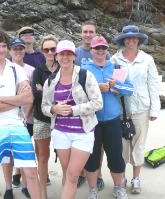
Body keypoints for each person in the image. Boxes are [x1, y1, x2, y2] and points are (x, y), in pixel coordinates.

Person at [0, 29, 41, 199]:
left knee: (31, 172)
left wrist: (1, 99)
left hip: (17, 125)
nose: (1, 50)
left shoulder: (16, 69)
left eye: (4, 46)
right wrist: (16, 99)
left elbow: (28, 98)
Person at [41, 40, 103, 199]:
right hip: (60, 133)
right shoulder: (51, 80)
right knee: (68, 174)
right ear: (56, 56)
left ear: (74, 56)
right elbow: (44, 107)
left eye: (69, 54)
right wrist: (54, 109)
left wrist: (73, 110)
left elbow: (98, 103)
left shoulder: (85, 75)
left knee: (73, 174)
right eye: (62, 54)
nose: (65, 57)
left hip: (83, 133)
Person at [111, 25, 160, 194]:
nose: (131, 40)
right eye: (128, 38)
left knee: (139, 145)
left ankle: (136, 178)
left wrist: (155, 109)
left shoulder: (147, 59)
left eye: (134, 38)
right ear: (123, 40)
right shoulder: (115, 60)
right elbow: (115, 87)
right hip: (121, 110)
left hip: (141, 109)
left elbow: (153, 84)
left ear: (138, 40)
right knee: (122, 146)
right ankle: (122, 178)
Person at [83, 35, 134, 199]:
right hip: (92, 120)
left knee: (116, 157)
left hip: (113, 120)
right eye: (96, 48)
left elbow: (130, 91)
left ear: (107, 50)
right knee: (92, 158)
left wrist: (115, 85)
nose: (100, 51)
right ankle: (92, 190)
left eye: (103, 48)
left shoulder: (116, 68)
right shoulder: (84, 69)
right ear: (91, 50)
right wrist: (96, 88)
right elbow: (76, 93)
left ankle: (119, 188)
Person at [75, 20, 108, 190]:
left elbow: (107, 74)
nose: (88, 34)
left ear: (95, 33)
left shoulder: (103, 52)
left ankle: (99, 174)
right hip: (80, 106)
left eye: (91, 31)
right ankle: (81, 173)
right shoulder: (76, 52)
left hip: (98, 106)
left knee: (98, 144)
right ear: (81, 33)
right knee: (82, 141)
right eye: (85, 31)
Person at [32, 35, 60, 199]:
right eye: (46, 49)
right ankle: (42, 192)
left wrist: (45, 89)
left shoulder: (64, 67)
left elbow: (68, 94)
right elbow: (36, 95)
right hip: (41, 118)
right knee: (42, 157)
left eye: (53, 49)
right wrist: (49, 92)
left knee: (65, 157)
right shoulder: (38, 70)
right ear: (42, 51)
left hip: (62, 119)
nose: (50, 52)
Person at [8, 37, 35, 198]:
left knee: (25, 151)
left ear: (24, 50)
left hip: (26, 117)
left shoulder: (31, 70)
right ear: (10, 51)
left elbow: (32, 96)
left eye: (21, 48)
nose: (18, 51)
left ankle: (25, 185)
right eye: (15, 49)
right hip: (8, 117)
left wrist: (25, 115)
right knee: (9, 153)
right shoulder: (4, 69)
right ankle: (10, 183)